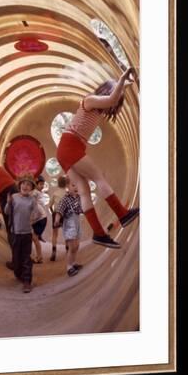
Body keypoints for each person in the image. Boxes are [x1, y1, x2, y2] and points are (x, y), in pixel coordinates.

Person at [56, 67, 139, 249]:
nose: (114, 106)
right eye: (115, 96)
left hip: (66, 148)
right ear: (107, 91)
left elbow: (112, 99)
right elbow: (111, 99)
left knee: (84, 191)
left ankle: (99, 234)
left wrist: (125, 85)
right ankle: (122, 214)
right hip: (70, 145)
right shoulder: (90, 100)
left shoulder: (97, 109)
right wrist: (123, 78)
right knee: (99, 177)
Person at [5, 175, 41, 293]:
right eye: (23, 184)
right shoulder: (14, 197)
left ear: (31, 188)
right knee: (16, 257)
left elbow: (37, 214)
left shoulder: (32, 200)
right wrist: (8, 203)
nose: (25, 186)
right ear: (19, 185)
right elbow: (6, 211)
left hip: (26, 233)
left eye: (29, 184)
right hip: (15, 233)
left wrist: (32, 219)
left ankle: (27, 281)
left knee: (26, 258)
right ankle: (18, 273)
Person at [54, 179, 84, 276]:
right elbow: (59, 210)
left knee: (77, 246)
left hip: (77, 222)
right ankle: (69, 267)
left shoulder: (78, 197)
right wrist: (57, 219)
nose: (76, 187)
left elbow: (81, 209)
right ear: (67, 186)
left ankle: (73, 263)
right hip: (69, 223)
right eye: (73, 185)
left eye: (77, 185)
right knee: (72, 247)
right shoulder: (65, 199)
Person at [49, 175, 68, 261]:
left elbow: (50, 205)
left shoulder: (55, 193)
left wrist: (53, 212)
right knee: (66, 232)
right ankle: (68, 249)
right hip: (65, 214)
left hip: (56, 213)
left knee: (54, 234)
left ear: (58, 184)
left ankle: (53, 250)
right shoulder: (67, 194)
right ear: (66, 184)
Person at [30, 175, 48, 263]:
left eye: (43, 184)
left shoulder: (35, 193)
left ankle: (39, 257)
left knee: (34, 238)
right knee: (33, 237)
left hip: (40, 219)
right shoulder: (36, 193)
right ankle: (38, 256)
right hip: (39, 219)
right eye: (40, 184)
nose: (42, 186)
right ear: (36, 184)